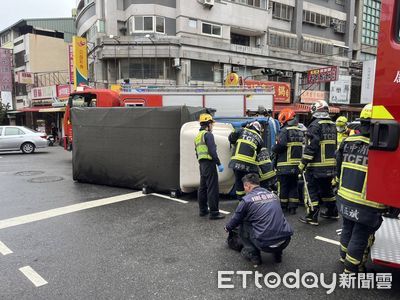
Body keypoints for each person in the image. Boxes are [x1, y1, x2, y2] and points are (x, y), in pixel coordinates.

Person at [336, 104, 386, 273]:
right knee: (360, 234)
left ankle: (343, 257)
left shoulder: (347, 141)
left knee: (347, 228)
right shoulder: (380, 147)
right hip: (366, 201)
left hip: (345, 195)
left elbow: (338, 166)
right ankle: (350, 268)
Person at [224, 173, 293, 265]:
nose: (244, 190)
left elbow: (236, 219)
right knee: (275, 217)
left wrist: (228, 227)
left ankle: (253, 254)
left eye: (244, 187)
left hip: (264, 244)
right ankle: (278, 253)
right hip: (285, 240)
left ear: (247, 186)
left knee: (242, 223)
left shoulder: (246, 200)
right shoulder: (273, 195)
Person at [298, 100, 337, 226]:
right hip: (330, 166)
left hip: (315, 166)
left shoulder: (314, 125)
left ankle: (312, 216)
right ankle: (332, 211)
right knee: (327, 189)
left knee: (310, 190)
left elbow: (311, 147)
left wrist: (303, 163)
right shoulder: (332, 125)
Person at [272, 108, 305, 214]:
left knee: (283, 186)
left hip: (284, 165)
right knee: (293, 185)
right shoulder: (300, 131)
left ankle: (283, 206)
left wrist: (273, 148)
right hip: (297, 166)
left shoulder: (284, 131)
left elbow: (280, 145)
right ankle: (293, 207)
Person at [194, 113, 225, 220]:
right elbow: (212, 151)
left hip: (202, 164)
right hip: (209, 164)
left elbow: (197, 153)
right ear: (208, 124)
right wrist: (219, 163)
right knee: (212, 188)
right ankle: (214, 213)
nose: (212, 126)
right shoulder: (208, 135)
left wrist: (202, 164)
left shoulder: (198, 136)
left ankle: (203, 210)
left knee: (202, 188)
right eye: (211, 124)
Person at [228, 121, 263, 200]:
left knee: (239, 181)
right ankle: (251, 199)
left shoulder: (241, 130)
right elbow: (258, 152)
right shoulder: (259, 138)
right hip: (250, 164)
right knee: (250, 182)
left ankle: (241, 200)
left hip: (236, 162)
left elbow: (231, 138)